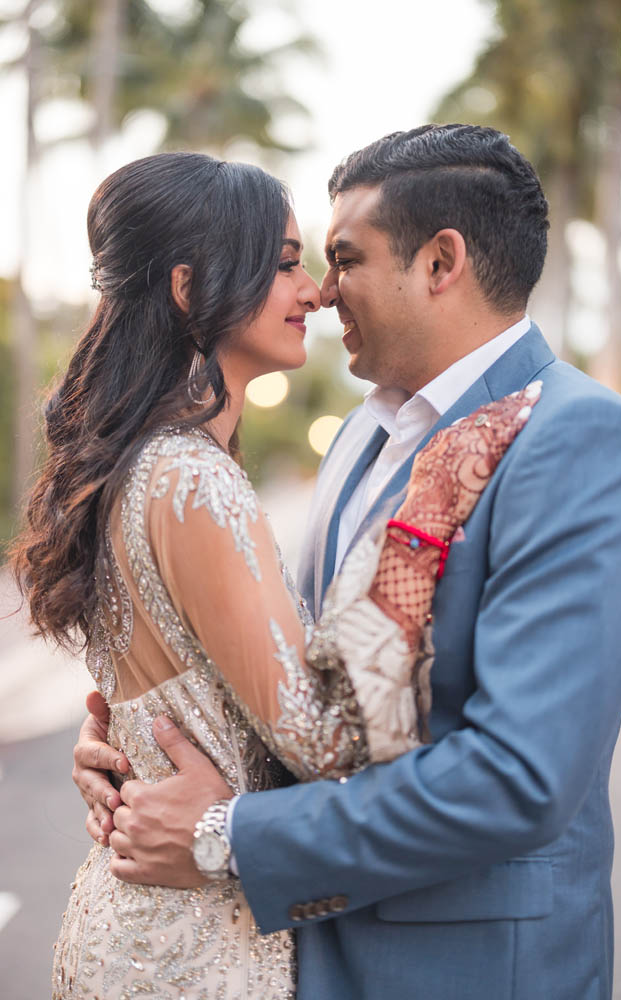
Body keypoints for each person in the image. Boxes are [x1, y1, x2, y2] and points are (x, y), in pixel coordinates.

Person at [72, 126, 621, 1000]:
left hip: (460, 969)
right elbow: (291, 682)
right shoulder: (358, 434)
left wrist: (224, 833)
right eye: (303, 263)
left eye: (343, 257)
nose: (320, 290)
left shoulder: (580, 439)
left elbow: (519, 777)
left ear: (439, 261)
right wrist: (136, 754)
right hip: (288, 950)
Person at [13, 148, 538, 999]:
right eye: (287, 264)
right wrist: (428, 515)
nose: (313, 293)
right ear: (189, 289)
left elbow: (180, 697)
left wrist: (125, 759)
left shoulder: (149, 467)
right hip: (192, 948)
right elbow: (327, 746)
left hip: (149, 925)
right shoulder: (188, 477)